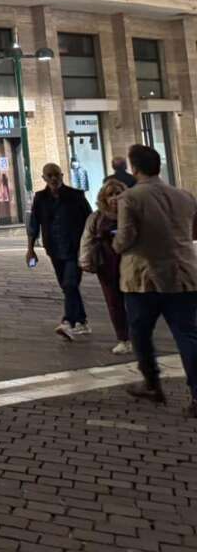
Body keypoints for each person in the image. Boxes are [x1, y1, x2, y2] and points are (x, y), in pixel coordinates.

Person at [113, 143, 197, 415]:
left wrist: (114, 244)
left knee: (140, 333)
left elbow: (125, 238)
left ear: (134, 168)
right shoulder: (184, 196)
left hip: (144, 277)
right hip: (183, 274)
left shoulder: (131, 197)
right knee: (187, 335)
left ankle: (152, 382)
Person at [27, 162, 93, 341]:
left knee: (70, 283)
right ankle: (82, 320)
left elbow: (90, 221)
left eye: (56, 174)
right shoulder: (40, 198)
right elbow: (34, 223)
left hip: (74, 249)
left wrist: (89, 245)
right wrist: (30, 249)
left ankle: (67, 321)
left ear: (62, 175)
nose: (54, 178)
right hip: (54, 249)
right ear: (44, 178)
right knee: (66, 286)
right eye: (49, 175)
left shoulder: (76, 196)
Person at [80, 179, 131, 354]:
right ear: (104, 198)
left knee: (134, 302)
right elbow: (87, 240)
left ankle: (136, 336)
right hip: (107, 264)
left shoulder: (132, 214)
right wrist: (86, 262)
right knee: (114, 302)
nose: (115, 198)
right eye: (110, 195)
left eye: (118, 193)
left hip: (131, 263)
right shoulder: (97, 217)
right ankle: (123, 338)